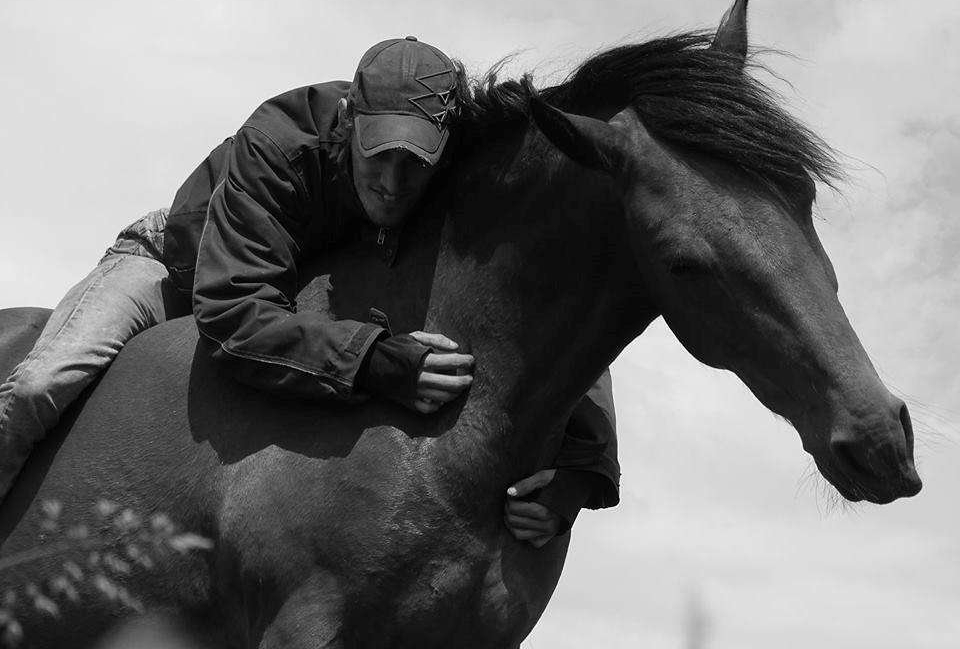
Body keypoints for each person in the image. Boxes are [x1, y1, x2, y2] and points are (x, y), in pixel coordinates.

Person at [0, 37, 619, 545]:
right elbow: (234, 310)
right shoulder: (279, 140)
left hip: (290, 296)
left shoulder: (455, 168)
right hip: (175, 267)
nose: (395, 184)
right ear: (350, 122)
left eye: (416, 164)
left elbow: (547, 294)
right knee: (41, 382)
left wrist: (581, 472)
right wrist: (373, 359)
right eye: (378, 156)